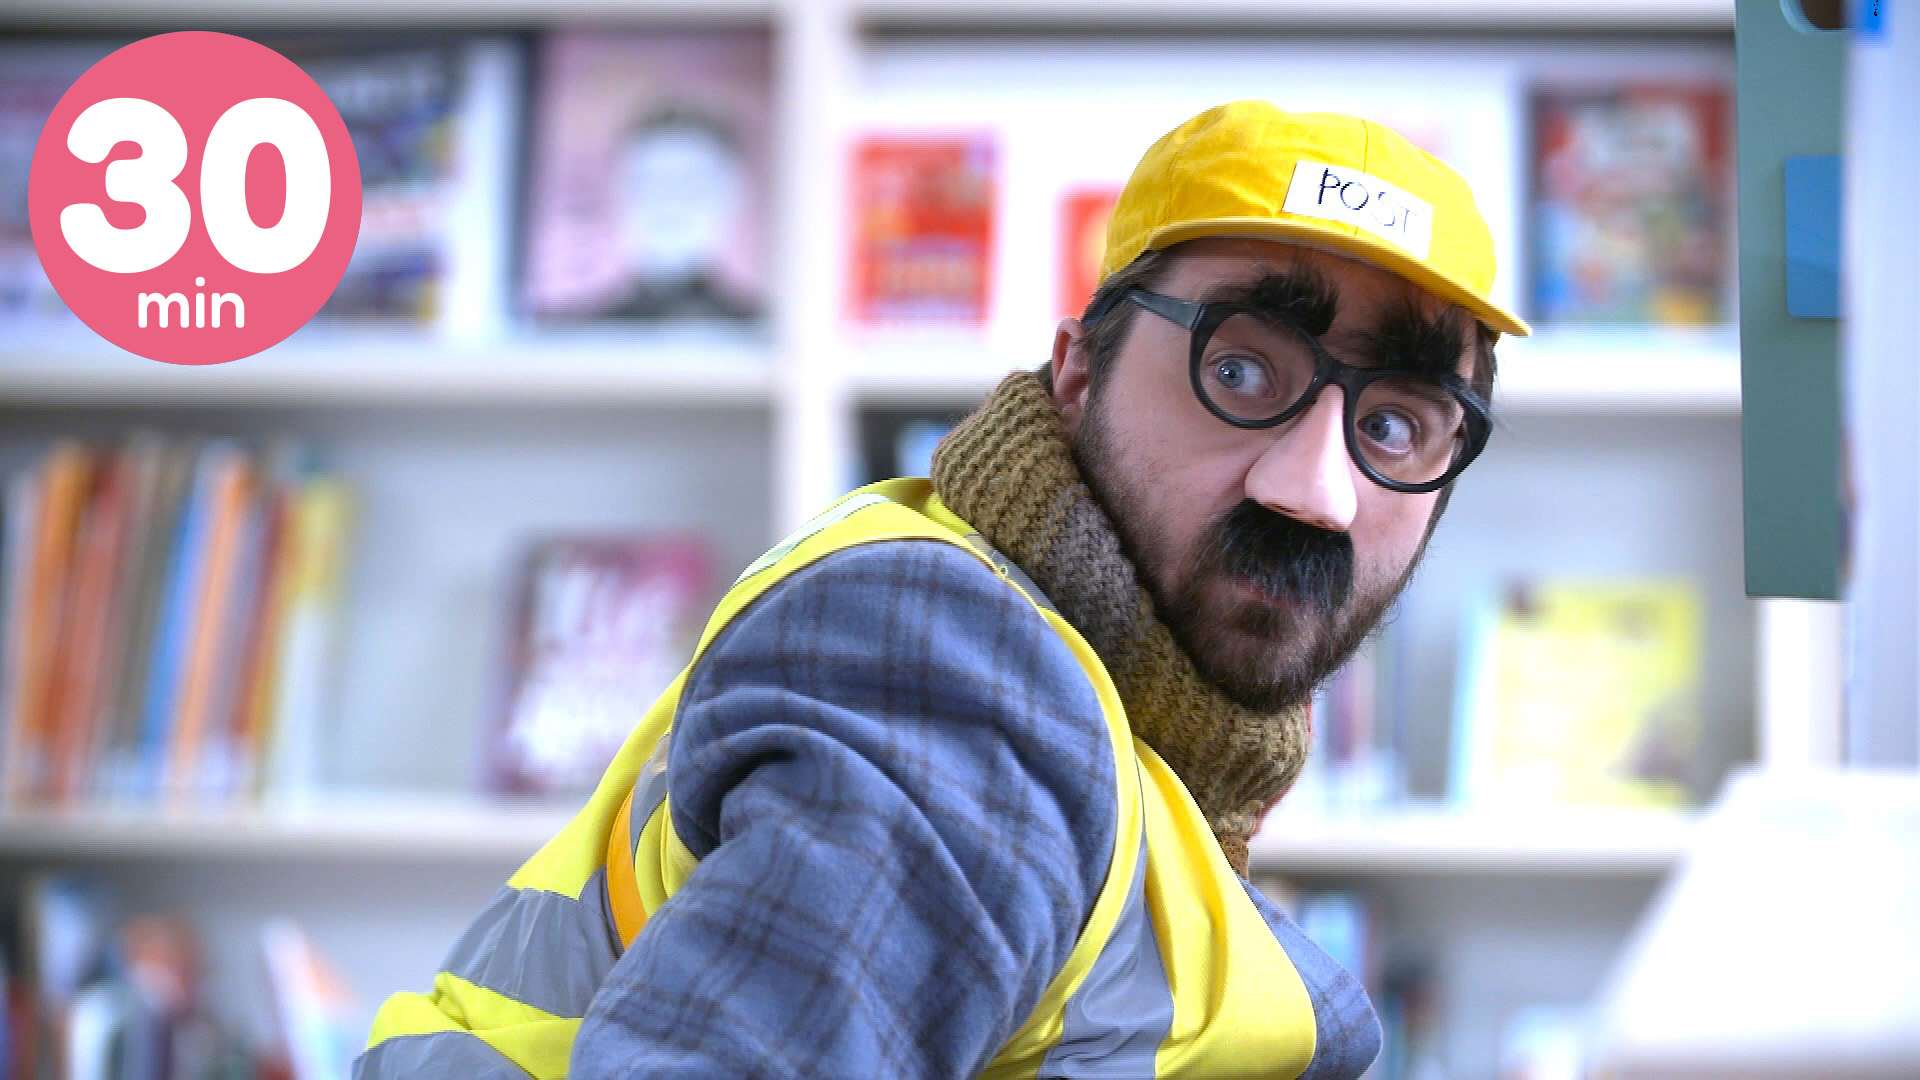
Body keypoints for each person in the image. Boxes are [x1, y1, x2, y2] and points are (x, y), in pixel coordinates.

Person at [355, 98, 1531, 1079]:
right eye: (1239, 370)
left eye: (1394, 425)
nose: (1316, 492)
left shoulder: (1121, 739)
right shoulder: (952, 667)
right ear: (1078, 373)